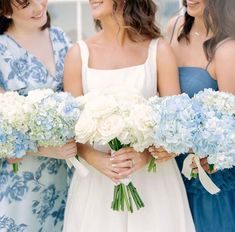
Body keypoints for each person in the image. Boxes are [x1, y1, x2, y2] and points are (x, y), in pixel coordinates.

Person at [63, 0, 195, 231]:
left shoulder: (159, 50)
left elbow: (176, 126)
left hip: (154, 184)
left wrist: (144, 156)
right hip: (98, 185)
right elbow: (69, 132)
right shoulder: (78, 55)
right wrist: (97, 160)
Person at [0, 0, 77, 231]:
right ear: (5, 10)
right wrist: (45, 149)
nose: (38, 7)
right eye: (26, 4)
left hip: (68, 172)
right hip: (22, 180)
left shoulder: (61, 38)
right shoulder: (2, 50)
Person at [165, 0, 235, 231]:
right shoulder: (173, 27)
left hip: (206, 181)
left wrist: (215, 157)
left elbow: (232, 125)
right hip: (168, 172)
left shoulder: (227, 50)